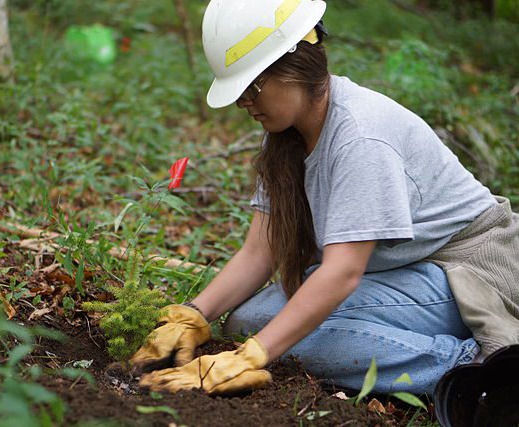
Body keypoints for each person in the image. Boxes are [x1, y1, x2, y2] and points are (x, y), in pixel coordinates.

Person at [131, 0, 519, 397]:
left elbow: (342, 273)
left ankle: (476, 370)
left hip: (466, 272)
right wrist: (194, 316)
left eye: (251, 87)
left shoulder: (360, 136)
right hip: (403, 269)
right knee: (246, 321)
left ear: (294, 67)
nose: (242, 102)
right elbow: (259, 252)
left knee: (291, 339)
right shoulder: (287, 134)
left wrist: (252, 357)